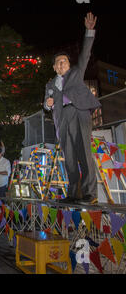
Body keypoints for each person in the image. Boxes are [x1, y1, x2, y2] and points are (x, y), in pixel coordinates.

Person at [44, 12, 101, 205]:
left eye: (64, 61)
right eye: (58, 62)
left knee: (84, 152)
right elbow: (46, 103)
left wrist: (89, 31)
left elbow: (85, 54)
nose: (61, 64)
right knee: (69, 157)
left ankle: (90, 193)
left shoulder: (76, 73)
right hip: (62, 120)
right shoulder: (50, 85)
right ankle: (73, 192)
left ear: (68, 64)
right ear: (54, 67)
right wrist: (47, 104)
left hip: (78, 112)